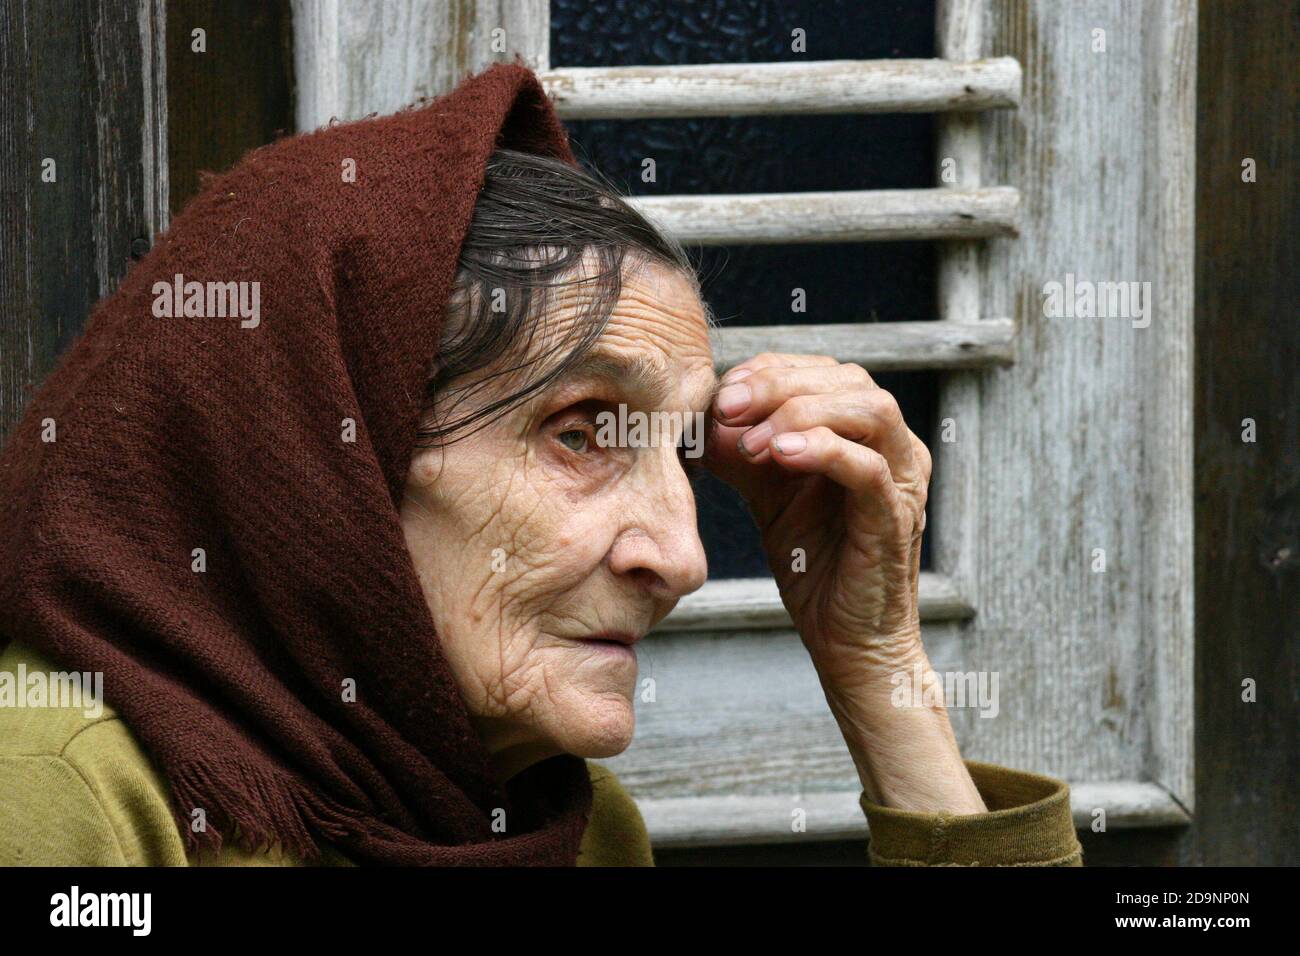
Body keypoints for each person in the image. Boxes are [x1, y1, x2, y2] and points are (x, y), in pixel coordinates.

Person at [0, 63, 1081, 867]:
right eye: (581, 431)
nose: (685, 557)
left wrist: (881, 675)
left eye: (678, 451)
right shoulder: (65, 793)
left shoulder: (567, 828)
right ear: (328, 460)